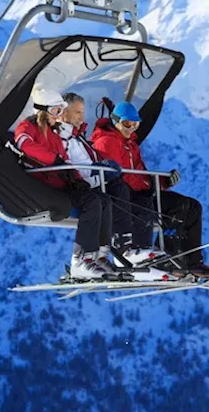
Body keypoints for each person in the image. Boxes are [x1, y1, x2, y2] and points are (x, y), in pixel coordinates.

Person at [91, 99, 209, 279]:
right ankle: (149, 259)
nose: (131, 129)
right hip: (124, 198)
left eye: (135, 124)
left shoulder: (130, 145)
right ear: (115, 121)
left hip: (140, 193)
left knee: (189, 207)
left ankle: (188, 262)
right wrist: (149, 185)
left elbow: (141, 174)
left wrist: (162, 183)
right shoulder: (106, 142)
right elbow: (117, 176)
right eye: (127, 124)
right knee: (146, 206)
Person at [58, 92, 167, 281]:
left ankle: (104, 257)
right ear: (63, 113)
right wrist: (98, 172)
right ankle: (122, 249)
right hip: (81, 184)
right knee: (117, 190)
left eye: (83, 112)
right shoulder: (65, 136)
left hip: (92, 181)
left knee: (130, 199)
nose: (82, 117)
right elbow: (69, 163)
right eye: (77, 112)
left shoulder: (78, 136)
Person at [13, 87, 118, 281]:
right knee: (91, 203)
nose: (58, 116)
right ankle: (81, 261)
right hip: (43, 185)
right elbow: (24, 144)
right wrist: (54, 160)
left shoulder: (53, 135)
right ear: (42, 111)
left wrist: (78, 179)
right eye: (55, 111)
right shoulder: (28, 127)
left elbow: (66, 163)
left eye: (60, 111)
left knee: (103, 200)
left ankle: (99, 255)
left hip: (60, 182)